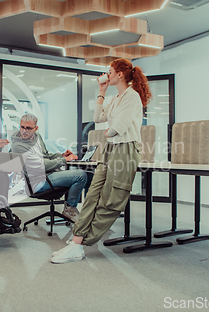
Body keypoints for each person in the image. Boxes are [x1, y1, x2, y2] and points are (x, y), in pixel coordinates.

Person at [51, 58, 151, 263]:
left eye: (110, 72)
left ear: (120, 74)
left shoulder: (132, 97)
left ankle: (81, 242)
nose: (107, 75)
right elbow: (97, 118)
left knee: (111, 199)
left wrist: (108, 133)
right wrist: (102, 91)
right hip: (112, 148)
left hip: (126, 148)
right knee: (93, 194)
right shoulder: (115, 99)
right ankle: (77, 242)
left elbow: (117, 128)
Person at [11, 113, 87, 222]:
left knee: (87, 175)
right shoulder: (18, 146)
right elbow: (40, 165)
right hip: (38, 181)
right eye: (22, 127)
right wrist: (64, 160)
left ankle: (74, 208)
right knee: (80, 175)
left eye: (28, 128)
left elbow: (45, 155)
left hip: (49, 174)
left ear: (36, 128)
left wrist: (61, 155)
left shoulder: (37, 137)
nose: (24, 131)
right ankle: (70, 209)